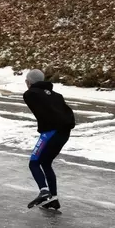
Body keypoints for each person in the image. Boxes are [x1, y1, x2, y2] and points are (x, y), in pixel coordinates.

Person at [23, 69, 75, 210]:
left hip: (50, 132)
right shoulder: (57, 95)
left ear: (30, 82)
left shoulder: (30, 94)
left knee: (34, 163)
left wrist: (32, 86)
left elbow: (35, 97)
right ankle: (54, 199)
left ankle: (44, 191)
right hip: (64, 133)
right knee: (46, 163)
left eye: (27, 81)